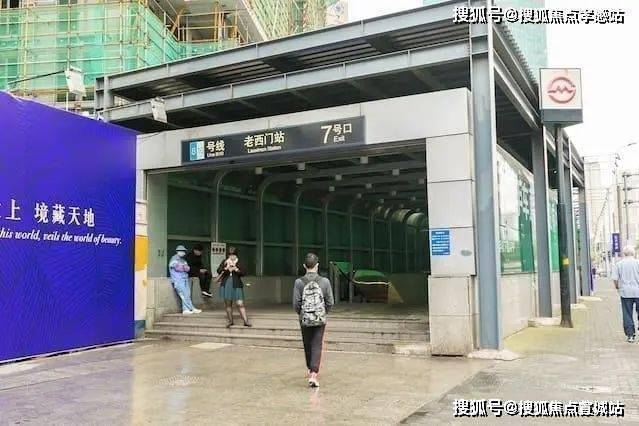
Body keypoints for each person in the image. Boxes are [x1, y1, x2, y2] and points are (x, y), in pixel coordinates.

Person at [293, 252, 334, 388]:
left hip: (304, 318)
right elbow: (330, 302)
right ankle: (313, 374)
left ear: (304, 266)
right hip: (319, 318)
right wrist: (322, 312)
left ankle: (310, 368)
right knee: (317, 344)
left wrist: (302, 313)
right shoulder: (325, 282)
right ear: (317, 265)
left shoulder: (299, 282)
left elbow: (296, 303)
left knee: (307, 343)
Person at [216, 247, 251, 328]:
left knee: (240, 303)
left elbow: (244, 273)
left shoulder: (239, 262)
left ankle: (246, 321)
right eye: (230, 255)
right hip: (226, 284)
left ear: (236, 255)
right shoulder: (225, 261)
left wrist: (236, 269)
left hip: (237, 284)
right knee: (228, 304)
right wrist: (226, 268)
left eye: (233, 255)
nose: (232, 256)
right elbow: (218, 270)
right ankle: (230, 321)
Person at [612, 245, 639, 343]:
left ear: (624, 254)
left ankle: (630, 335)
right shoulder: (637, 263)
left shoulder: (619, 264)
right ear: (633, 253)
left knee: (627, 313)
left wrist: (617, 287)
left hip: (625, 292)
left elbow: (615, 279)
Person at [169, 245, 202, 315]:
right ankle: (188, 309)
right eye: (182, 251)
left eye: (184, 251)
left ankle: (189, 308)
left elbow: (188, 269)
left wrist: (183, 267)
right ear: (177, 251)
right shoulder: (174, 258)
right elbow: (178, 268)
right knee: (184, 294)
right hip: (178, 280)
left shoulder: (183, 260)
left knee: (187, 294)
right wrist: (183, 267)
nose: (183, 252)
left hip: (184, 279)